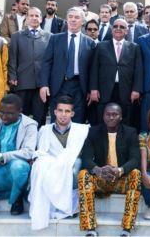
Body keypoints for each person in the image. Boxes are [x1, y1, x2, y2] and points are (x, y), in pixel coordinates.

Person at [78, 103, 141, 237]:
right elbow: (86, 158)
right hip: (101, 179)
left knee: (136, 174)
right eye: (108, 114)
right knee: (83, 174)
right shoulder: (94, 132)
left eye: (115, 114)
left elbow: (135, 159)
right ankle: (90, 228)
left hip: (121, 180)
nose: (111, 117)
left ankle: (127, 228)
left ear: (121, 117)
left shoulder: (130, 132)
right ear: (103, 116)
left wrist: (120, 170)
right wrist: (98, 170)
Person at [29, 95, 89, 230]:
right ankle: (49, 206)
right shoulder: (45, 130)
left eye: (67, 111)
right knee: (40, 165)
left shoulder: (81, 130)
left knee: (75, 165)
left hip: (71, 165)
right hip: (51, 165)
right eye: (60, 110)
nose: (63, 115)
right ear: (54, 112)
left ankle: (70, 207)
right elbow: (41, 152)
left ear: (72, 113)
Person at [39, 7, 96, 124]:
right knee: (58, 121)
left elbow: (92, 69)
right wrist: (44, 84)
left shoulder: (90, 42)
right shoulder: (55, 39)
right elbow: (46, 63)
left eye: (77, 17)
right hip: (59, 86)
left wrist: (91, 89)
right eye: (70, 17)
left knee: (78, 121)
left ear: (83, 21)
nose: (73, 20)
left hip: (80, 87)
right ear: (66, 20)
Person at [90, 18, 143, 126]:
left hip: (126, 91)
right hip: (104, 91)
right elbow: (94, 68)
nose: (118, 29)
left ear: (127, 31)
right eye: (115, 26)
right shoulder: (101, 46)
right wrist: (93, 89)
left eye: (122, 27)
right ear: (111, 29)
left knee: (125, 121)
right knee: (103, 120)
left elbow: (138, 70)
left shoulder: (134, 47)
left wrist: (136, 89)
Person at [8, 7, 51, 127]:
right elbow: (12, 58)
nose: (34, 18)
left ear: (41, 18)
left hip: (41, 84)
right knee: (22, 116)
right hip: (22, 81)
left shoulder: (49, 36)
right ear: (27, 18)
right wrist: (12, 76)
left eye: (37, 16)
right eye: (31, 15)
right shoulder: (17, 36)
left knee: (40, 116)